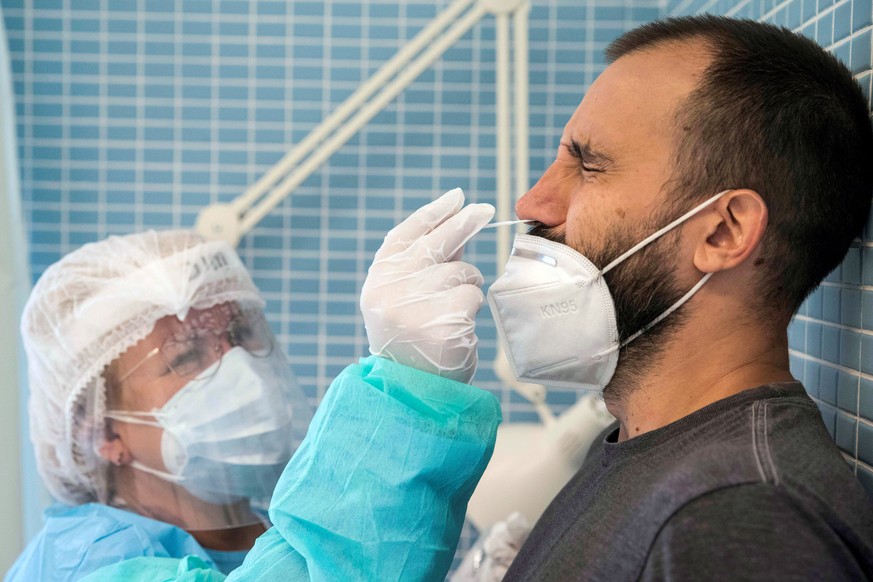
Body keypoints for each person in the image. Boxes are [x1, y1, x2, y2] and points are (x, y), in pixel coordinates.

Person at [364, 15, 873, 580]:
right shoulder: (640, 447)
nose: (533, 202)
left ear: (724, 232)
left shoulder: (738, 514)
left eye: (589, 164)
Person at [7, 210, 503, 581]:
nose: (236, 366)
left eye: (241, 334)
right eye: (185, 357)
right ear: (104, 432)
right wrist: (403, 395)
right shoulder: (82, 561)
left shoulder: (273, 532)